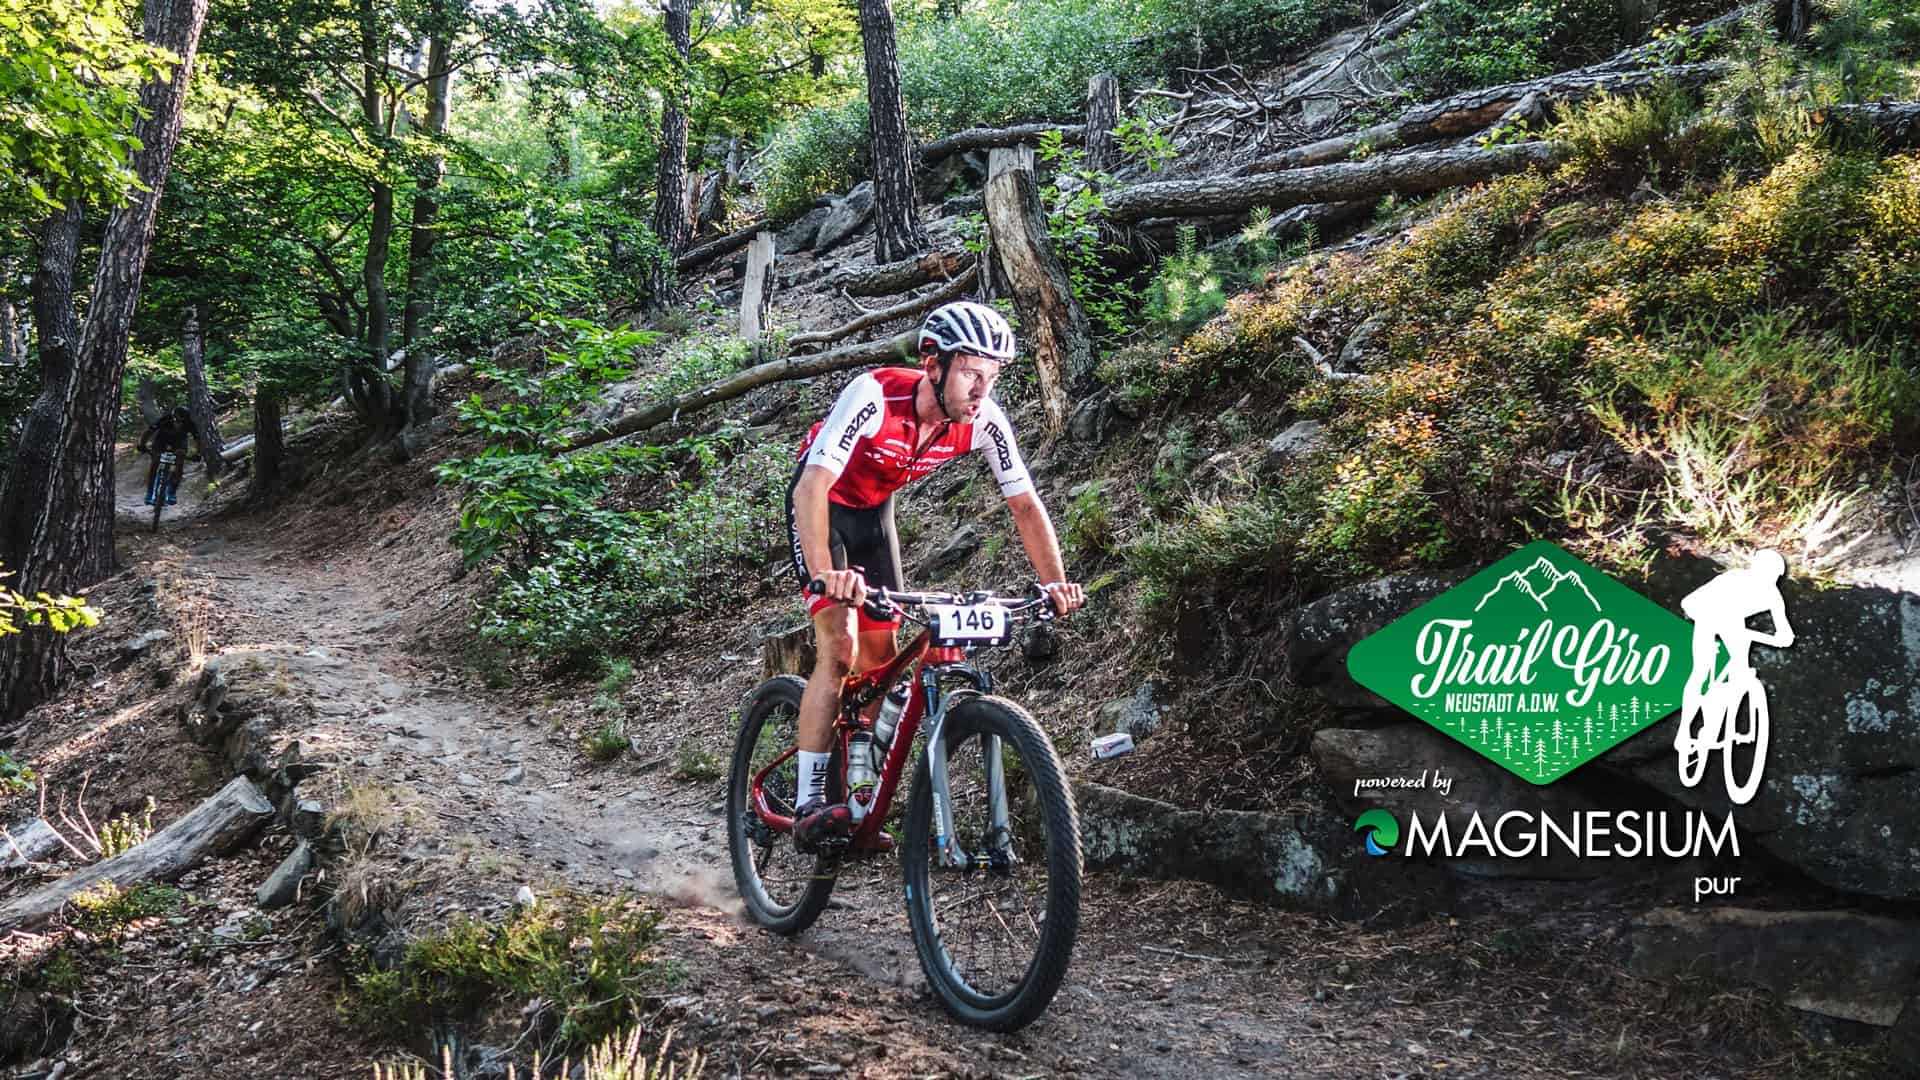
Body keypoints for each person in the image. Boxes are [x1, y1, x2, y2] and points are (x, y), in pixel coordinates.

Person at [786, 300, 1086, 850]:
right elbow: (812, 486)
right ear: (933, 365)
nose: (981, 390)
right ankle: (807, 801)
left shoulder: (983, 421)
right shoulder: (874, 395)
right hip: (822, 505)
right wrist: (828, 574)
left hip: (873, 517)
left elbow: (1024, 504)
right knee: (841, 647)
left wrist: (1055, 583)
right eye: (971, 373)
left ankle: (857, 802)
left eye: (991, 377)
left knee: (881, 662)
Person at [1676, 549, 1794, 757]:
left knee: (1741, 670)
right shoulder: (1734, 578)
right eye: (1765, 573)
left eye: (1774, 576)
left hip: (1733, 623)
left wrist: (1785, 637)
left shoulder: (1773, 596)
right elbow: (1689, 604)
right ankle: (1684, 732)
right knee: (1702, 671)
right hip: (1708, 614)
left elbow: (1784, 629)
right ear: (1755, 569)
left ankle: (1716, 720)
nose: (1768, 581)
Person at [139, 406, 201, 506]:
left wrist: (198, 453)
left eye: (181, 422)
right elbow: (149, 431)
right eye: (176, 420)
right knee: (155, 462)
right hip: (161, 441)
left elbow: (197, 439)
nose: (178, 424)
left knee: (179, 463)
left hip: (179, 443)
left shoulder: (190, 423)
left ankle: (172, 492)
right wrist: (142, 444)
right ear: (172, 417)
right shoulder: (165, 419)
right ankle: (150, 493)